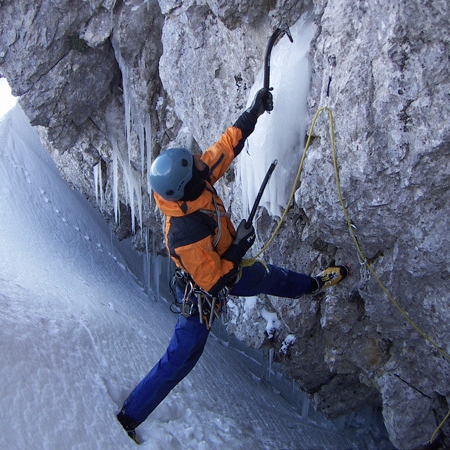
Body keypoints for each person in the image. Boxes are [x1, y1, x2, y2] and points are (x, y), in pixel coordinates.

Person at [116, 87, 349, 441]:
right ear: (188, 183)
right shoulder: (184, 232)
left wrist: (251, 113)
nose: (200, 159)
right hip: (204, 292)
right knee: (179, 360)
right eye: (194, 162)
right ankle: (129, 417)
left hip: (223, 265)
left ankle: (314, 284)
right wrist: (238, 249)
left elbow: (224, 148)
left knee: (273, 278)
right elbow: (214, 282)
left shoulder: (189, 183)